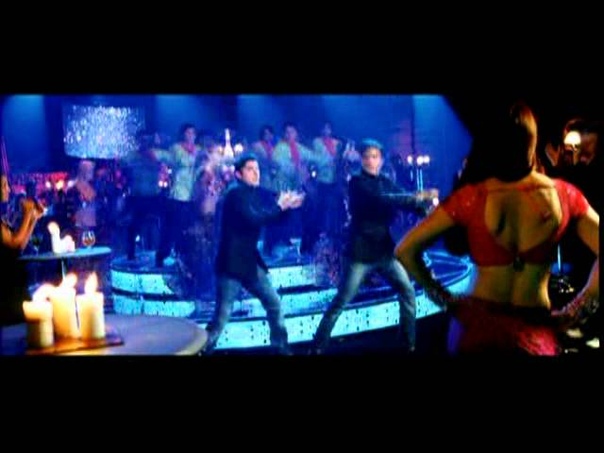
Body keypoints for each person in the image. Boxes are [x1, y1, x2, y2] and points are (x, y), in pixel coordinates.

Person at [395, 101, 599, 356]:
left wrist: (444, 298)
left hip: (477, 325)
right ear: (532, 141)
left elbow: (405, 250)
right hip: (534, 328)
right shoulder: (563, 195)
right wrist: (578, 309)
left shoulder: (472, 197)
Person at [309, 139, 437, 355]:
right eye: (367, 156)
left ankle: (408, 344)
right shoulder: (356, 183)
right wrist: (417, 197)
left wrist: (424, 209)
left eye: (375, 156)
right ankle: (317, 347)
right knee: (341, 301)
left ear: (381, 160)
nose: (370, 160)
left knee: (407, 292)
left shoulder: (385, 181)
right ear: (362, 160)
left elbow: (402, 199)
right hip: (360, 255)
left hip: (384, 252)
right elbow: (382, 199)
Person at [203, 152, 305, 355]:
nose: (256, 173)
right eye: (250, 169)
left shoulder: (253, 193)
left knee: (274, 303)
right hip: (232, 265)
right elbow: (254, 219)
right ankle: (202, 350)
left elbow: (270, 217)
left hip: (249, 262)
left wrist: (287, 208)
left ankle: (281, 347)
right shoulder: (235, 195)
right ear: (238, 174)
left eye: (257, 169)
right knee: (221, 318)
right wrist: (280, 206)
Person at [0, 138, 45, 326]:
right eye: (3, 185)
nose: (8, 189)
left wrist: (33, 218)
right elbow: (15, 243)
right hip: (5, 288)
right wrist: (27, 214)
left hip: (13, 283)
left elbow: (20, 245)